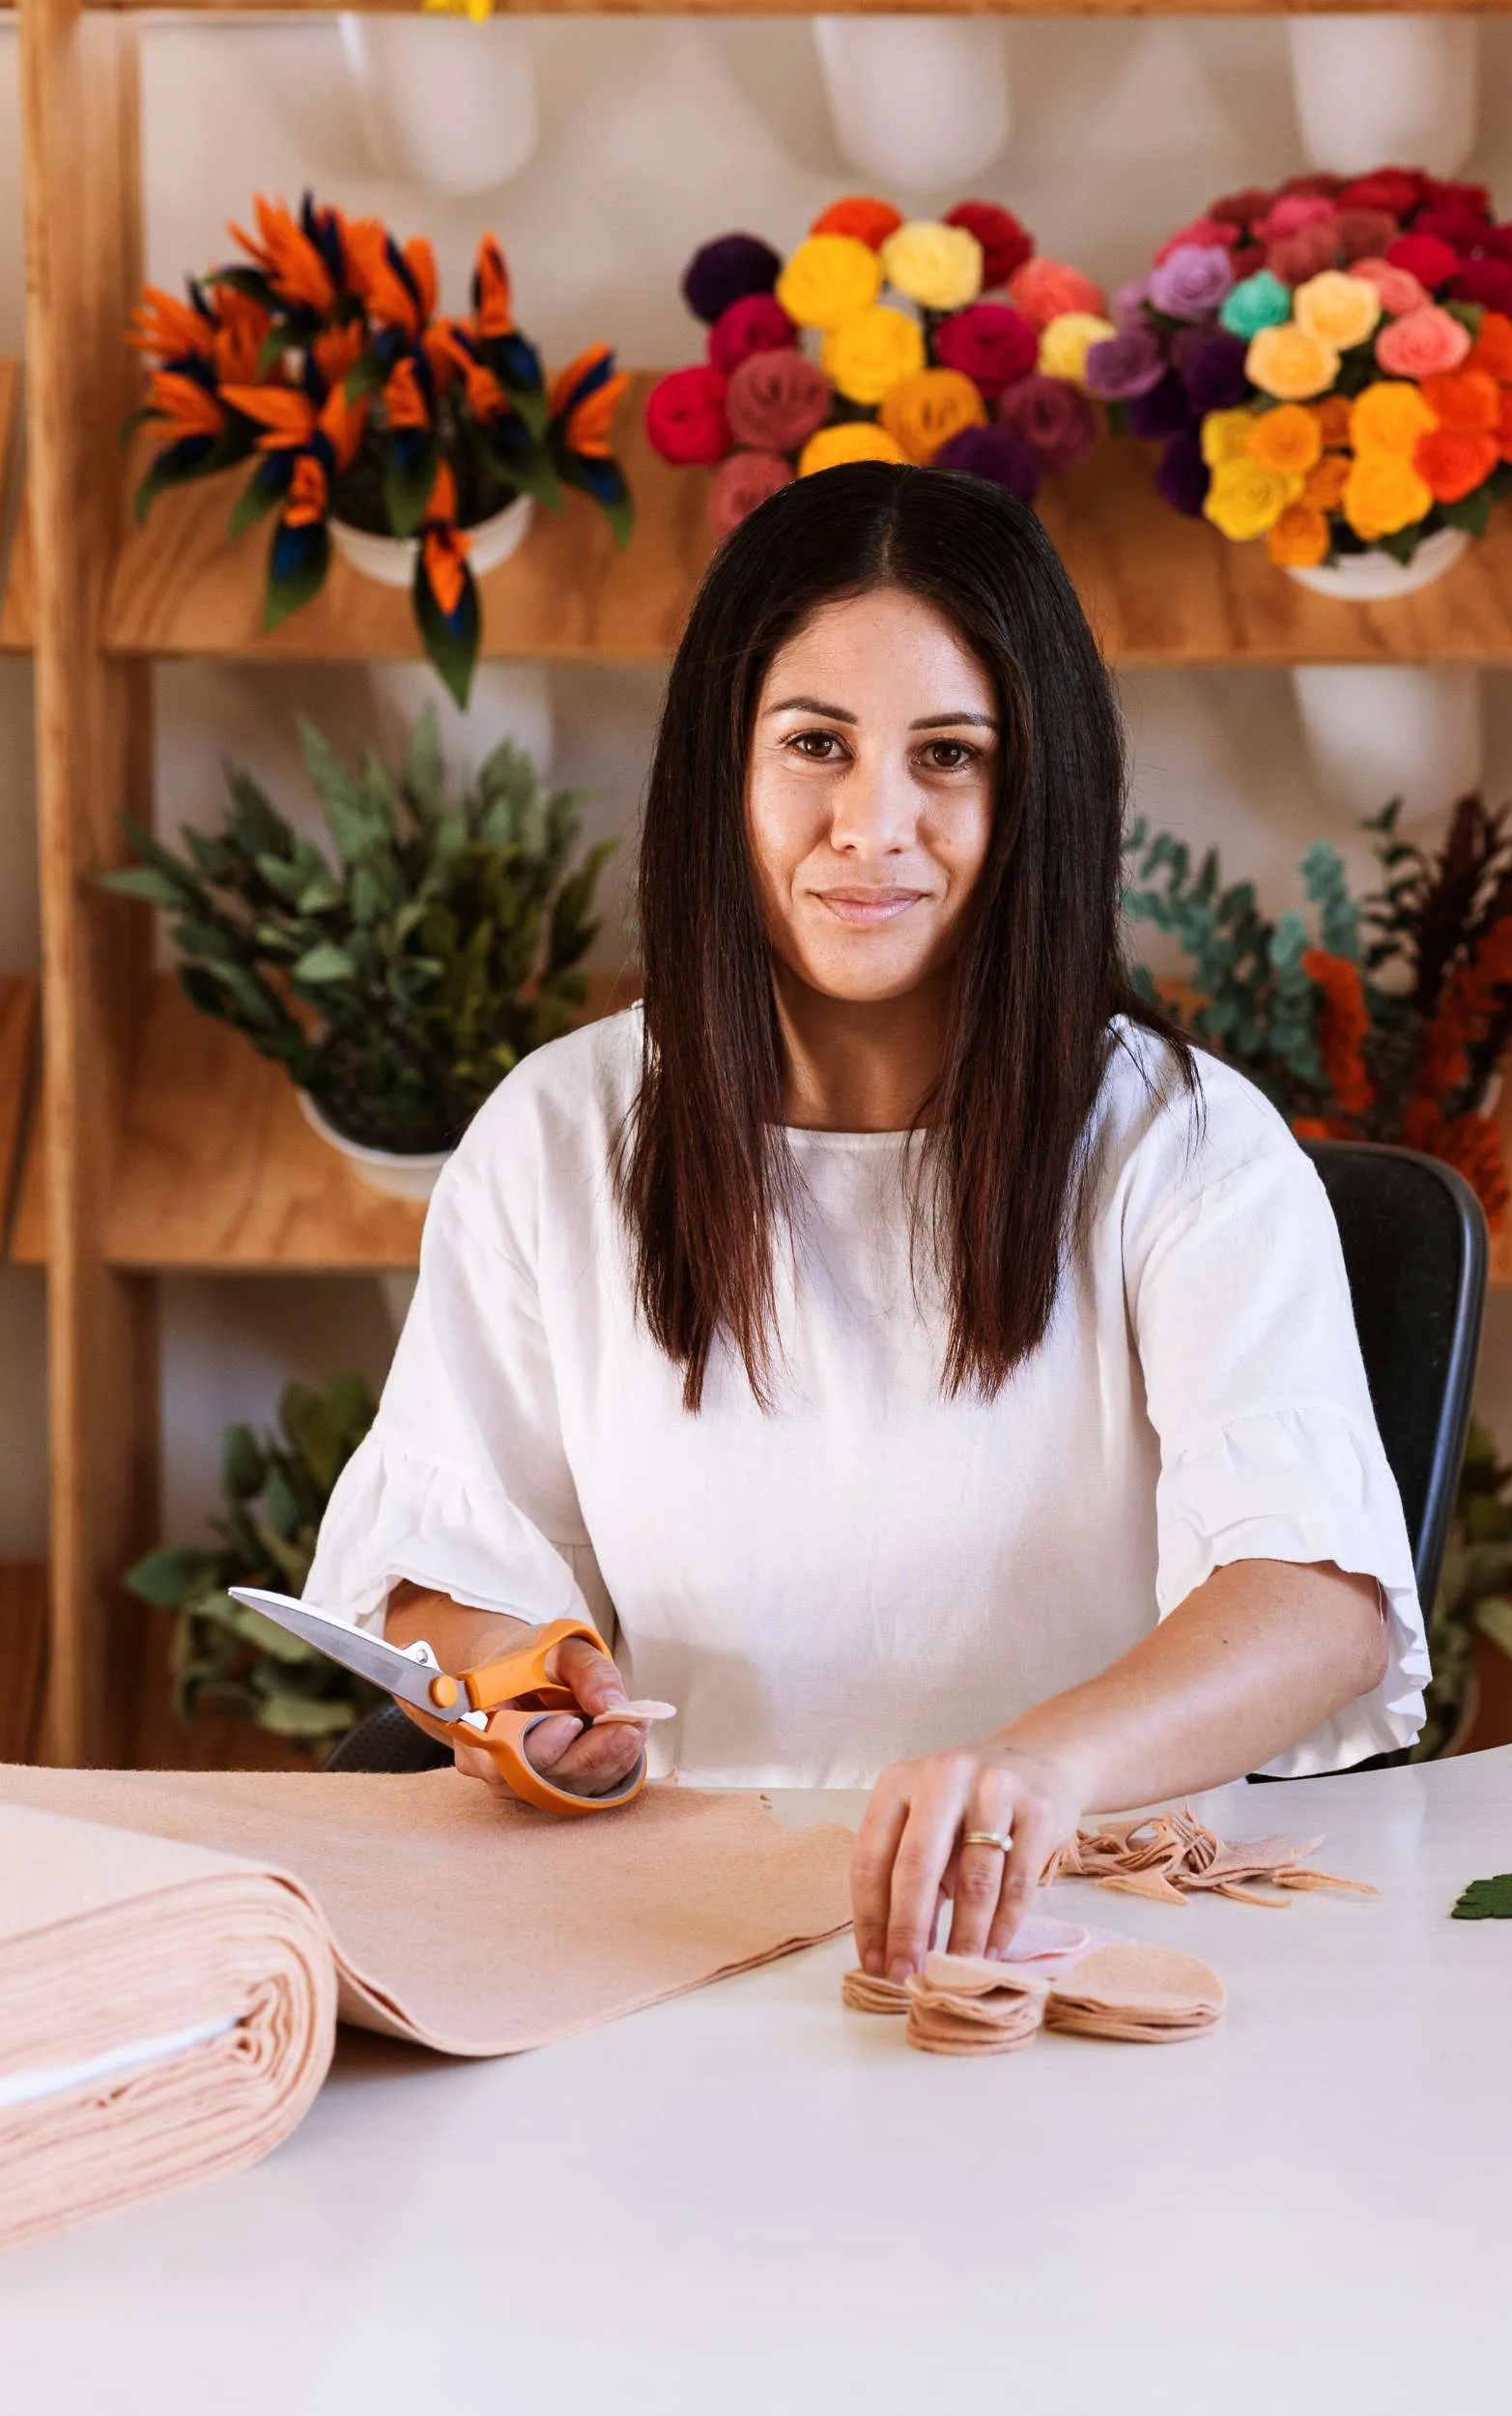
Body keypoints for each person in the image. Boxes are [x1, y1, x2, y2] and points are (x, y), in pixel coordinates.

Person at [305, 462, 1427, 1982]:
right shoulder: (557, 1135)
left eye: (948, 755)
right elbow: (450, 1548)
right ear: (725, 769)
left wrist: (1035, 1773)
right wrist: (522, 1677)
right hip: (675, 1940)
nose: (871, 826)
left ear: (1037, 788)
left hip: (1098, 1929)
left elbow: (1316, 1601)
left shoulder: (1188, 1147)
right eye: (814, 744)